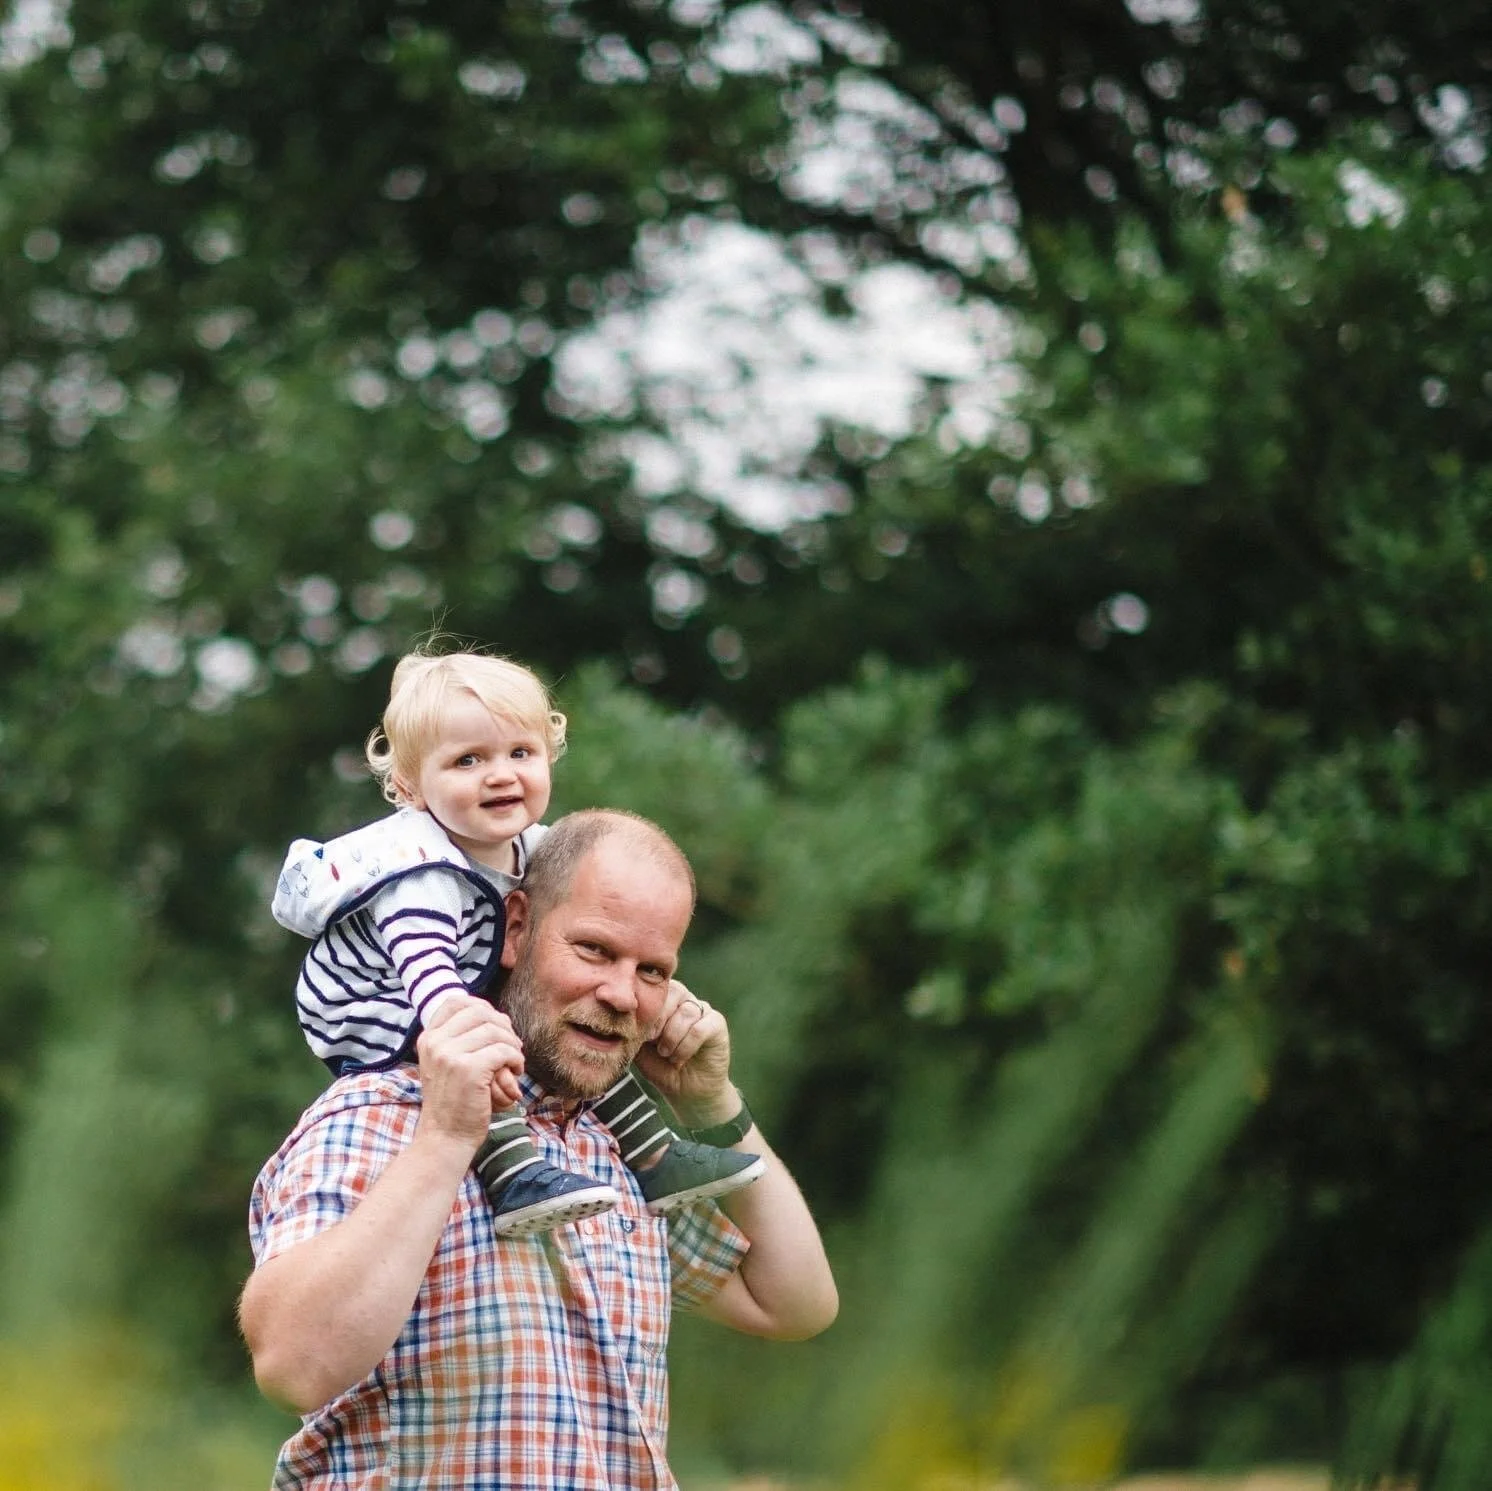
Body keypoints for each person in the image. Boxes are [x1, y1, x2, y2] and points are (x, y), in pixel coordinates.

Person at [241, 809, 839, 1490]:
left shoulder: (620, 1150)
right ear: (516, 927)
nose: (620, 994)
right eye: (594, 950)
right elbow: (292, 1364)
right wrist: (446, 1136)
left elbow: (796, 1301)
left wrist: (711, 1104)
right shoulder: (381, 1113)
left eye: (652, 969)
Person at [271, 649, 763, 1236]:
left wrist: (641, 981)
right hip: (371, 1005)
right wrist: (471, 1019)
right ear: (410, 785)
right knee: (482, 1041)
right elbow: (426, 968)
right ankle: (514, 1173)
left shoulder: (529, 844)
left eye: (519, 753)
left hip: (449, 979)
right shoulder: (421, 873)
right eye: (467, 760)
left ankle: (656, 1158)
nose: (500, 774)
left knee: (576, 1029)